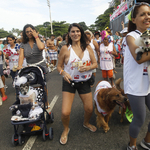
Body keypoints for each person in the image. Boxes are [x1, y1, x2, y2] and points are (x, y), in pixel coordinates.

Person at [57, 23, 97, 145]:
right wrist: (63, 73)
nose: (75, 34)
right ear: (69, 34)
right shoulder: (65, 48)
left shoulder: (88, 48)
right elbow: (58, 66)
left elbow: (95, 64)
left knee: (89, 109)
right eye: (73, 32)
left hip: (85, 82)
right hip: (70, 83)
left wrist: (88, 67)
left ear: (81, 33)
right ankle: (65, 129)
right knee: (65, 112)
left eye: (78, 31)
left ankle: (86, 122)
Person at [123, 2, 150, 150]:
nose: (147, 17)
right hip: (135, 85)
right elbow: (138, 58)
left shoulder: (149, 35)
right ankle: (131, 146)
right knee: (139, 119)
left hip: (148, 83)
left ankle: (146, 141)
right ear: (134, 20)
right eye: (142, 14)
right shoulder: (130, 36)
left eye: (149, 13)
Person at [17, 24, 49, 107]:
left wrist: (36, 37)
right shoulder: (23, 44)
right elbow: (21, 56)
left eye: (30, 31)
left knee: (42, 85)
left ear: (34, 31)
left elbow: (41, 47)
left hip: (40, 66)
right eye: (27, 32)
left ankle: (46, 101)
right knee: (31, 86)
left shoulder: (39, 39)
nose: (29, 33)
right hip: (30, 67)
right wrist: (19, 65)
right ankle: (33, 101)